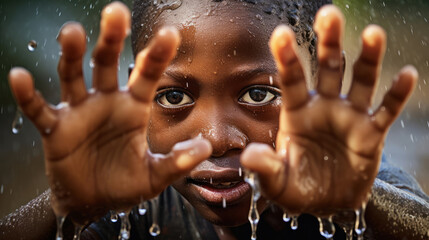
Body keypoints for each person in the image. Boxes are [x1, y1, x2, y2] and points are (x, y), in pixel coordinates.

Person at [1, 0, 429, 239]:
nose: (217, 138)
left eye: (258, 94)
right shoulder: (133, 204)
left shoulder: (354, 187)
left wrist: (362, 203)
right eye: (172, 97)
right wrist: (62, 208)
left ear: (320, 90)